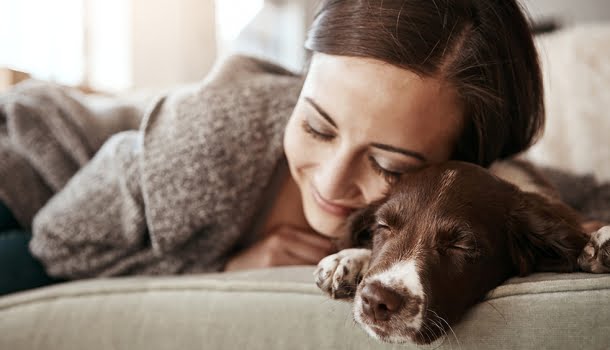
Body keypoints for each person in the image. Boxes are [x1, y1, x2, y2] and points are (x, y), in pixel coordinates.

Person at [0, 0, 544, 295]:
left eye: (388, 164)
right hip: (30, 175)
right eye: (317, 127)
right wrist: (225, 271)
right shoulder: (211, 141)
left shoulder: (472, 189)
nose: (331, 182)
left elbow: (554, 196)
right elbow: (59, 242)